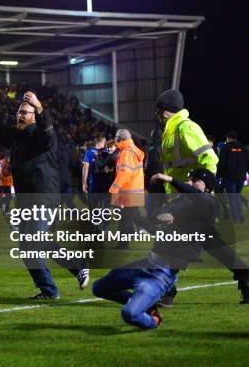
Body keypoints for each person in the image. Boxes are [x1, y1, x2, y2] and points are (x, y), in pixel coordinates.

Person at [0, 91, 89, 299]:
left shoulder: (40, 135)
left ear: (34, 115)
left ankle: (55, 284)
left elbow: (47, 132)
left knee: (33, 240)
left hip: (43, 196)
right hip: (26, 197)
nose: (20, 115)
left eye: (25, 112)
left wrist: (40, 108)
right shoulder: (17, 136)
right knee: (28, 244)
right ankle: (66, 274)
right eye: (18, 112)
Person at [93, 168, 222, 330]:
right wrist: (159, 215)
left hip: (162, 274)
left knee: (130, 314)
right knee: (99, 288)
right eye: (189, 179)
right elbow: (156, 214)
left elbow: (198, 197)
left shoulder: (210, 204)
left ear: (207, 187)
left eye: (195, 180)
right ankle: (147, 306)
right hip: (147, 263)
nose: (189, 182)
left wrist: (170, 179)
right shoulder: (180, 202)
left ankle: (153, 321)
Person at [155, 89, 219, 305]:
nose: (158, 114)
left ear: (165, 111)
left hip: (188, 199)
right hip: (177, 197)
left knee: (171, 245)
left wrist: (201, 189)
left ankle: (167, 293)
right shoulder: (170, 131)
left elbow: (209, 159)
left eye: (159, 110)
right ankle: (244, 279)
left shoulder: (186, 128)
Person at [109, 129, 145, 249]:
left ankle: (122, 245)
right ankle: (124, 242)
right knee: (132, 218)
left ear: (121, 139)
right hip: (134, 190)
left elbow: (125, 172)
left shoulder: (126, 152)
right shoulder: (132, 148)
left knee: (125, 219)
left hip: (128, 191)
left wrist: (114, 189)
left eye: (116, 137)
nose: (115, 139)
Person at [217, 131, 248, 224]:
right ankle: (239, 216)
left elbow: (222, 163)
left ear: (228, 138)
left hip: (229, 176)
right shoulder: (244, 148)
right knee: (237, 196)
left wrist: (219, 175)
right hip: (241, 177)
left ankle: (236, 218)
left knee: (232, 198)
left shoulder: (225, 148)